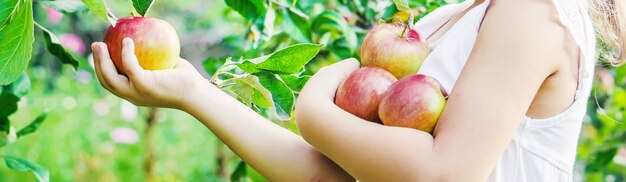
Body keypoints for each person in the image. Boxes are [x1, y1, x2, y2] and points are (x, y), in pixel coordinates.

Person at [90, 0, 625, 181]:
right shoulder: (455, 17)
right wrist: (192, 91)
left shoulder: (534, 13)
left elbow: (441, 173)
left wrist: (312, 111)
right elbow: (339, 173)